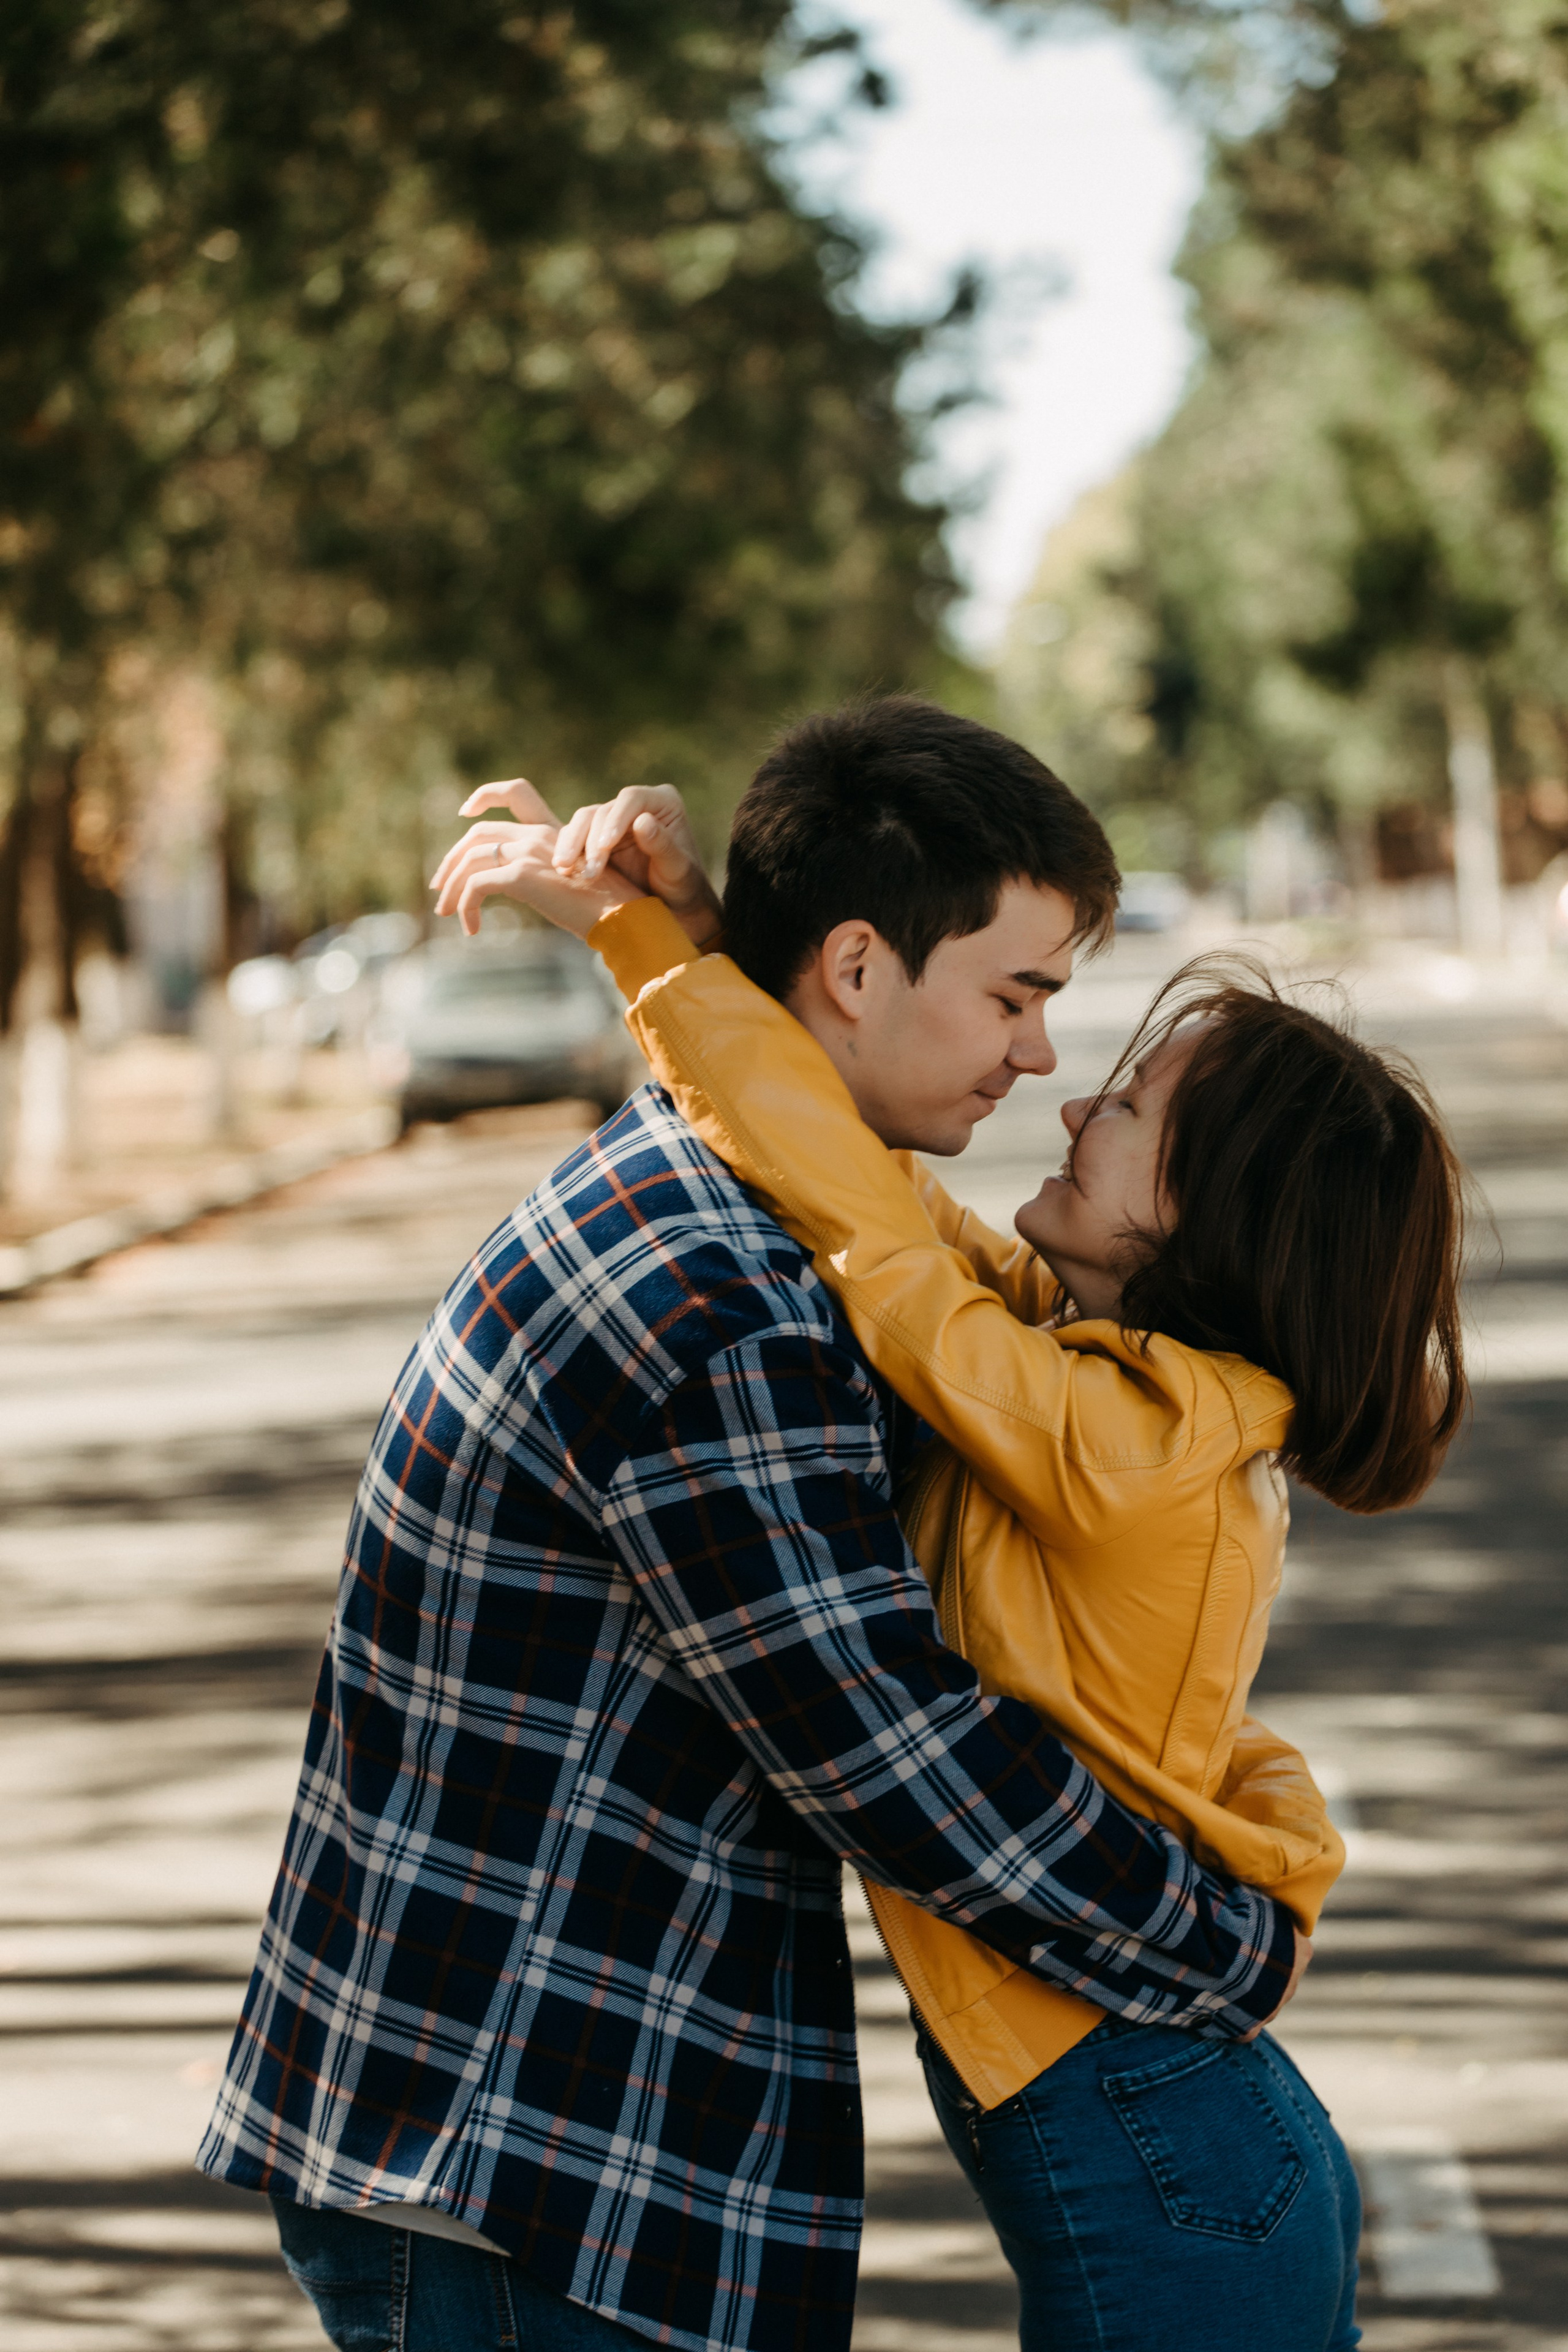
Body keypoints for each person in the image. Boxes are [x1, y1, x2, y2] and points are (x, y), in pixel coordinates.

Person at [200, 700, 1316, 2352]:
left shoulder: (746, 1204)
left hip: (547, 2139)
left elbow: (826, 1157)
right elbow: (893, 1748)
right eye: (1015, 996)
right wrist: (1225, 1936)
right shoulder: (728, 1303)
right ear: (859, 973)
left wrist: (682, 943)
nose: (1039, 1062)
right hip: (533, 2167)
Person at [441, 732, 1466, 2352]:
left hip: (1164, 2141)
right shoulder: (1082, 1368)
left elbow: (875, 1236)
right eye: (1025, 1003)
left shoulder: (1124, 1438)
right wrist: (707, 946)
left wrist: (649, 947)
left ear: (1212, 1222)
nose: (1062, 1089)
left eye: (1125, 1107)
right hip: (1165, 2124)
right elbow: (866, 1188)